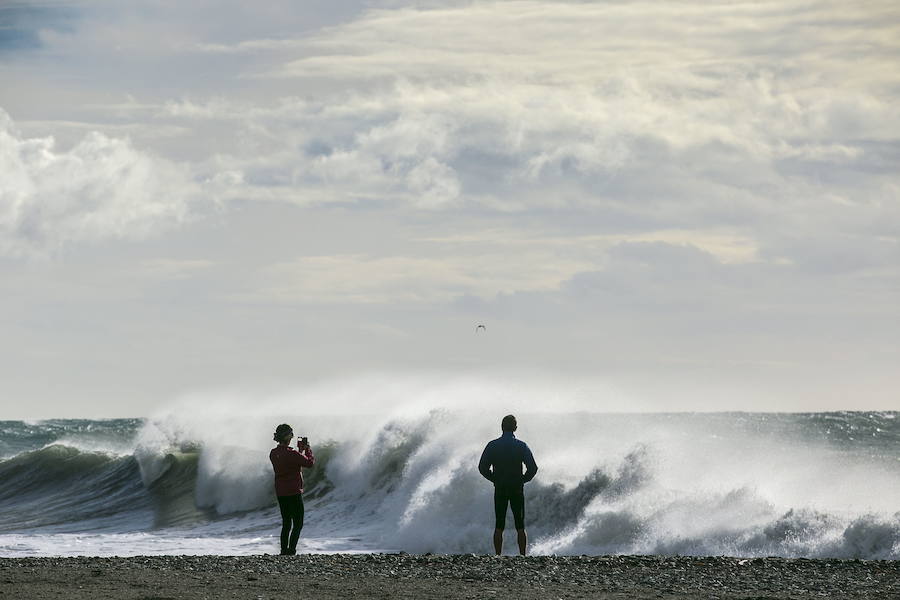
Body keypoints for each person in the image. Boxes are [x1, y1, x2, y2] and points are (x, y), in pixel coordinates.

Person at [478, 414, 538, 555]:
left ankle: (498, 555)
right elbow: (533, 468)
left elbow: (482, 467)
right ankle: (522, 555)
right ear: (515, 428)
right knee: (520, 525)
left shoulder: (492, 445)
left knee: (499, 524)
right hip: (517, 488)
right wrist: (523, 479)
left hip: (500, 487)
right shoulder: (521, 446)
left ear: (502, 427)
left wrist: (494, 479)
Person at [269, 423, 315, 555]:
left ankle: (284, 550)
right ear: (286, 436)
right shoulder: (292, 453)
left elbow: (292, 462)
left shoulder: (273, 453)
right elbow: (309, 463)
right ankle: (291, 550)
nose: (293, 436)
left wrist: (300, 451)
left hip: (281, 491)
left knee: (286, 523)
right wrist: (308, 450)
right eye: (291, 433)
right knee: (298, 523)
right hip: (293, 491)